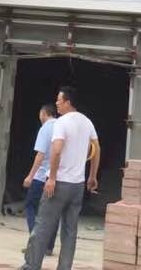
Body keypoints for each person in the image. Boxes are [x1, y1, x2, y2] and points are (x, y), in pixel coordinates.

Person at [20, 85, 100, 270]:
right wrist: (92, 176)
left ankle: (31, 266)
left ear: (68, 102)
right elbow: (96, 149)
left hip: (59, 184)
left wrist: (52, 178)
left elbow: (56, 150)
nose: (56, 103)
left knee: (42, 225)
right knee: (70, 231)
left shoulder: (61, 123)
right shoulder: (87, 122)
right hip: (77, 185)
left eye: (59, 100)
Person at [23, 103, 59, 255]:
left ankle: (36, 243)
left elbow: (40, 155)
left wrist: (30, 176)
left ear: (44, 113)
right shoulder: (61, 126)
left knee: (30, 206)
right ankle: (49, 246)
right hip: (56, 177)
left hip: (41, 177)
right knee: (52, 212)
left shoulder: (45, 128)